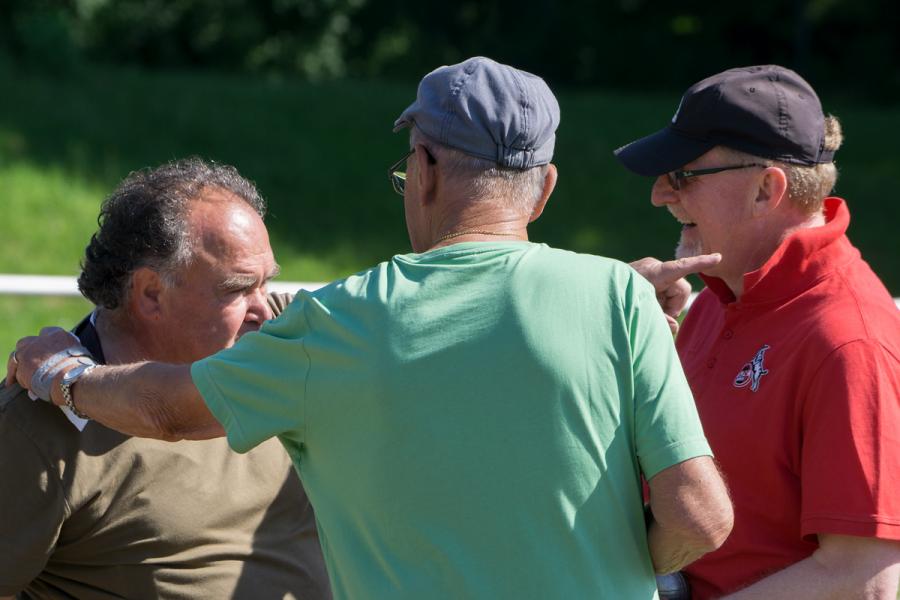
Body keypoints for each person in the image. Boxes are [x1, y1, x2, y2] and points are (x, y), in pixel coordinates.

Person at [9, 57, 733, 599]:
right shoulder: (621, 297)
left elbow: (169, 410)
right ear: (543, 189)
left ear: (424, 170)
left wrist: (62, 373)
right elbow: (700, 519)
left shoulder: (335, 326)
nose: (262, 304)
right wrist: (602, 563)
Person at [616, 65, 900, 598]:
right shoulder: (721, 294)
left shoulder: (848, 340)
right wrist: (619, 334)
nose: (660, 194)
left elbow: (866, 578)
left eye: (682, 175)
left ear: (766, 190)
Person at [0, 158, 330, 599]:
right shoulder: (36, 428)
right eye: (236, 288)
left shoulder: (290, 347)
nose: (263, 311)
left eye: (265, 283)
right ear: (152, 293)